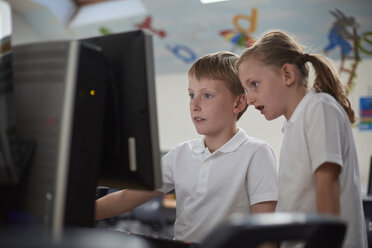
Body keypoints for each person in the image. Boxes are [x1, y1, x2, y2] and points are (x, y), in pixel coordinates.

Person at [95, 51, 279, 243]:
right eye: (191, 95)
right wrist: (76, 213)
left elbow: (265, 231)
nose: (194, 105)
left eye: (207, 95)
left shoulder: (256, 153)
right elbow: (127, 197)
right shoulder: (181, 153)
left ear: (239, 102)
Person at [237, 30, 367, 248]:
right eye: (245, 89)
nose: (249, 98)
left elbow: (327, 184)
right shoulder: (292, 124)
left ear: (287, 74)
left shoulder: (319, 108)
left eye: (254, 84)